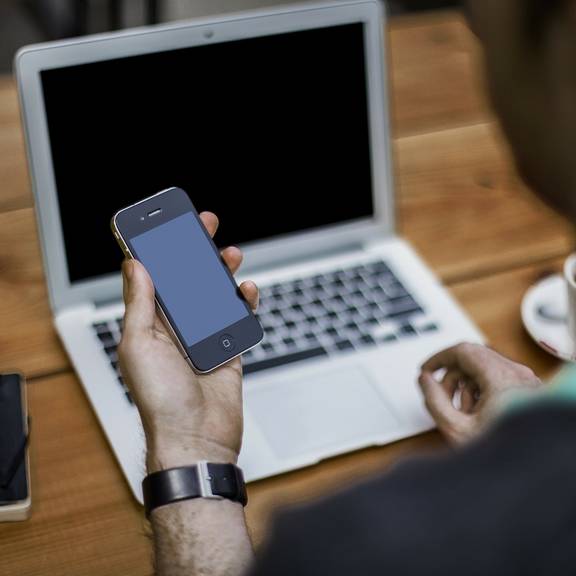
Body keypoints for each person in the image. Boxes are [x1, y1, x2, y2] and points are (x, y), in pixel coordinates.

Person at [118, 0, 576, 574]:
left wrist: (192, 449)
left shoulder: (360, 544)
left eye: (483, 16)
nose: (475, 23)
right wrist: (525, 432)